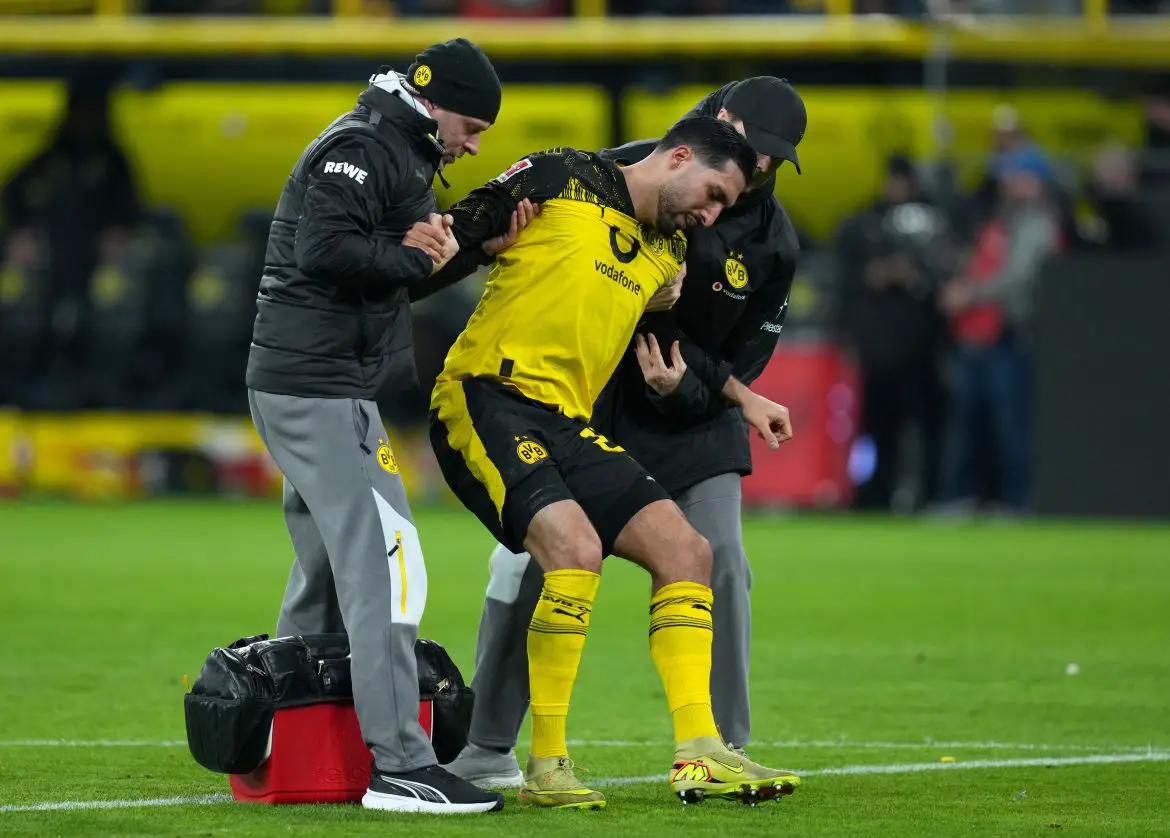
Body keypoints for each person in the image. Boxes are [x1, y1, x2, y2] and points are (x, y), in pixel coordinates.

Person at [441, 77, 808, 787]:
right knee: (530, 565)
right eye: (757, 150)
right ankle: (488, 745)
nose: (761, 168)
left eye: (774, 160)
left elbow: (743, 362)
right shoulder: (631, 172)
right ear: (716, 128)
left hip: (695, 419)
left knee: (720, 559)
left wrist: (691, 388)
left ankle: (718, 740)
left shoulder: (775, 242)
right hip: (593, 399)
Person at [244, 38, 519, 814]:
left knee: (329, 571)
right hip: (317, 386)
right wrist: (412, 250)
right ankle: (402, 763)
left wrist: (469, 249)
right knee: (388, 564)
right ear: (434, 104)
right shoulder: (362, 146)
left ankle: (284, 738)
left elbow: (392, 267)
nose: (475, 141)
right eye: (472, 123)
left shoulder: (391, 143)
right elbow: (325, 249)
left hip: (323, 383)